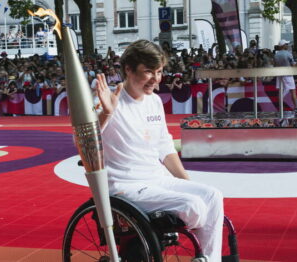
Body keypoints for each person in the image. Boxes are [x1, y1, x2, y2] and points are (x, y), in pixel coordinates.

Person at [96, 39, 224, 261]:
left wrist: (187, 183)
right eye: (148, 72)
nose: (156, 79)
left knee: (212, 196)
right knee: (193, 206)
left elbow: (164, 147)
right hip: (126, 186)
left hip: (157, 179)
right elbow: (84, 142)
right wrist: (106, 113)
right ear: (128, 69)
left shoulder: (154, 101)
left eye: (159, 71)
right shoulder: (110, 101)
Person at [274, 40, 297, 110]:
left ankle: (280, 108)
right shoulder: (288, 54)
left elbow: (275, 65)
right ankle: (296, 107)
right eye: (286, 44)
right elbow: (293, 65)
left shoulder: (276, 55)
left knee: (280, 91)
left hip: (279, 75)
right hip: (288, 75)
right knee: (293, 91)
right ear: (283, 46)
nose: (287, 45)